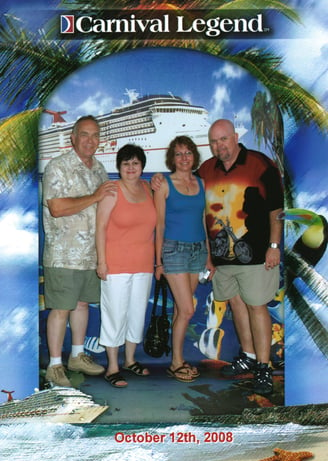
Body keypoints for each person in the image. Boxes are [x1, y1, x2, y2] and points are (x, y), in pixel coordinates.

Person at [198, 119, 284, 395]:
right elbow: (200, 211)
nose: (218, 145)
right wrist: (209, 256)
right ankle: (247, 355)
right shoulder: (206, 169)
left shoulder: (261, 164)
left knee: (257, 307)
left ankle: (263, 367)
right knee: (236, 305)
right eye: (213, 141)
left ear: (235, 137)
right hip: (223, 259)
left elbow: (276, 210)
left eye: (223, 139)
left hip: (257, 255)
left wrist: (274, 245)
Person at [42, 115, 115, 387]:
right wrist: (95, 196)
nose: (90, 140)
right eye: (84, 134)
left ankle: (76, 355)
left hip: (91, 255)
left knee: (82, 305)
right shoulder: (57, 167)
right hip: (63, 253)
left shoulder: (100, 170)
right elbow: (57, 208)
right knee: (61, 308)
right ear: (72, 137)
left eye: (95, 135)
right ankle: (54, 364)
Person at [96, 144, 157, 388]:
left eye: (135, 163)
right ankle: (112, 367)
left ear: (142, 166)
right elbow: (100, 228)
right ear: (119, 167)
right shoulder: (112, 191)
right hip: (116, 265)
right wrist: (101, 261)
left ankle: (130, 360)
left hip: (143, 265)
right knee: (114, 315)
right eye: (125, 164)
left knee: (136, 315)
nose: (130, 168)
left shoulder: (147, 188)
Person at [154, 136, 210, 383]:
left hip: (198, 251)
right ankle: (176, 362)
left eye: (188, 153)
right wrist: (158, 262)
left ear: (194, 156)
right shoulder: (164, 184)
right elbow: (159, 225)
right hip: (174, 251)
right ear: (172, 158)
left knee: (181, 310)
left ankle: (177, 359)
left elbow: (204, 222)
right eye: (179, 154)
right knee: (188, 309)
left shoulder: (202, 183)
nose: (184, 157)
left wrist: (208, 256)